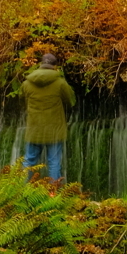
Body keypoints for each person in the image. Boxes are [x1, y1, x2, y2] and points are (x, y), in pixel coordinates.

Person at [21, 52, 75, 182]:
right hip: (54, 130)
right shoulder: (60, 83)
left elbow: (24, 101)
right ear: (55, 66)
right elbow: (71, 101)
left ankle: (21, 192)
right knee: (54, 162)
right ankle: (53, 194)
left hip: (34, 129)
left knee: (29, 161)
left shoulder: (26, 84)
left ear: (41, 64)